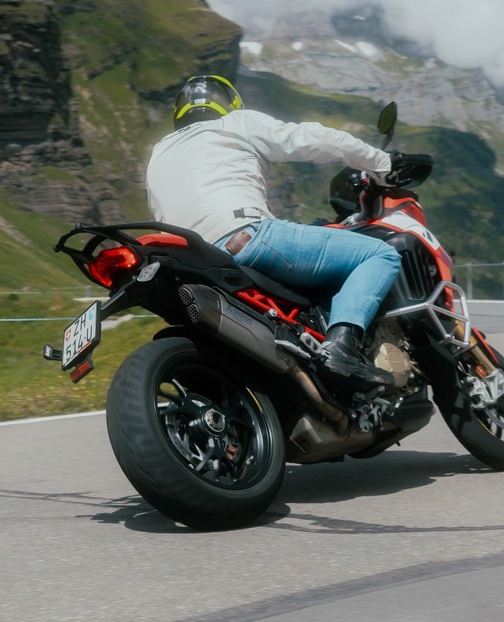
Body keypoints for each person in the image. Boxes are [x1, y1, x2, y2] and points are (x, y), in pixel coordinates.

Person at [145, 74, 401, 390]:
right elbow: (309, 139)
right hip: (245, 236)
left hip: (194, 257)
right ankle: (341, 349)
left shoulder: (159, 153)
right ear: (229, 103)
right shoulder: (233, 123)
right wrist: (381, 162)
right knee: (379, 254)